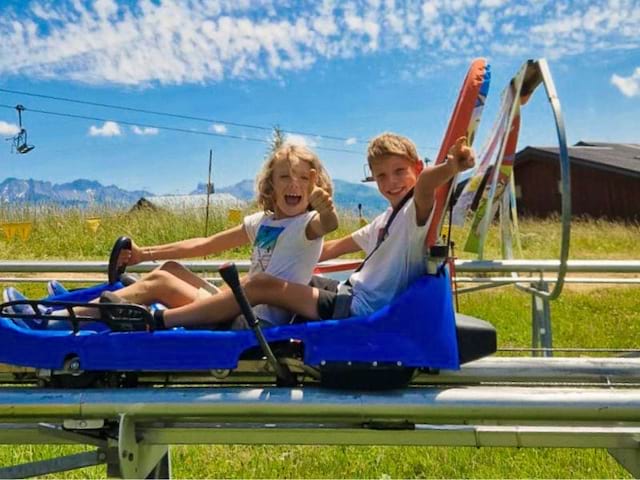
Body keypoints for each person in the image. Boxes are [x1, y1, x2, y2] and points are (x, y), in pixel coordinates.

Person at [146, 132, 474, 329]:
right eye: (382, 176)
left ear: (417, 168)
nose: (391, 183)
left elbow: (427, 185)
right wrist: (296, 253)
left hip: (358, 309)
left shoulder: (416, 214)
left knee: (262, 285)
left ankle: (165, 320)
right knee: (265, 279)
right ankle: (218, 307)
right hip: (349, 291)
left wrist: (451, 166)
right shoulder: (387, 218)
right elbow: (333, 246)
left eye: (400, 171)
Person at [3, 143, 338, 328]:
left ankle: (55, 319)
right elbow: (204, 245)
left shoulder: (307, 224)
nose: (293, 185)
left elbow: (328, 225)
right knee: (171, 269)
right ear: (271, 184)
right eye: (284, 178)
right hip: (237, 307)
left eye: (302, 180)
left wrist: (324, 209)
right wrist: (144, 253)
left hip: (254, 321)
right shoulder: (262, 222)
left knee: (159, 286)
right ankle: (79, 308)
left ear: (314, 184)